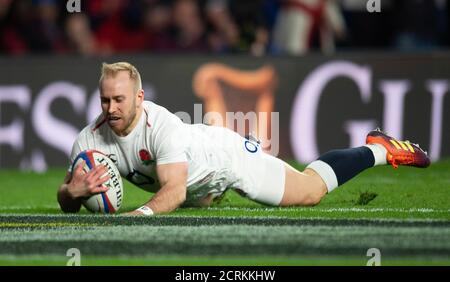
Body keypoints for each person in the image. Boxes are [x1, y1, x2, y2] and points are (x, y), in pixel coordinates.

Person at [57, 62, 430, 215]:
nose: (111, 107)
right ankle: (212, 195)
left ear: (139, 98)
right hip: (199, 185)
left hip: (226, 158)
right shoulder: (89, 140)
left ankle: (377, 149)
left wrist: (139, 215)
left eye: (119, 99)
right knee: (200, 203)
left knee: (310, 191)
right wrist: (73, 192)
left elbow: (173, 191)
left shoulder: (162, 126)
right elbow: (66, 196)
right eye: (105, 99)